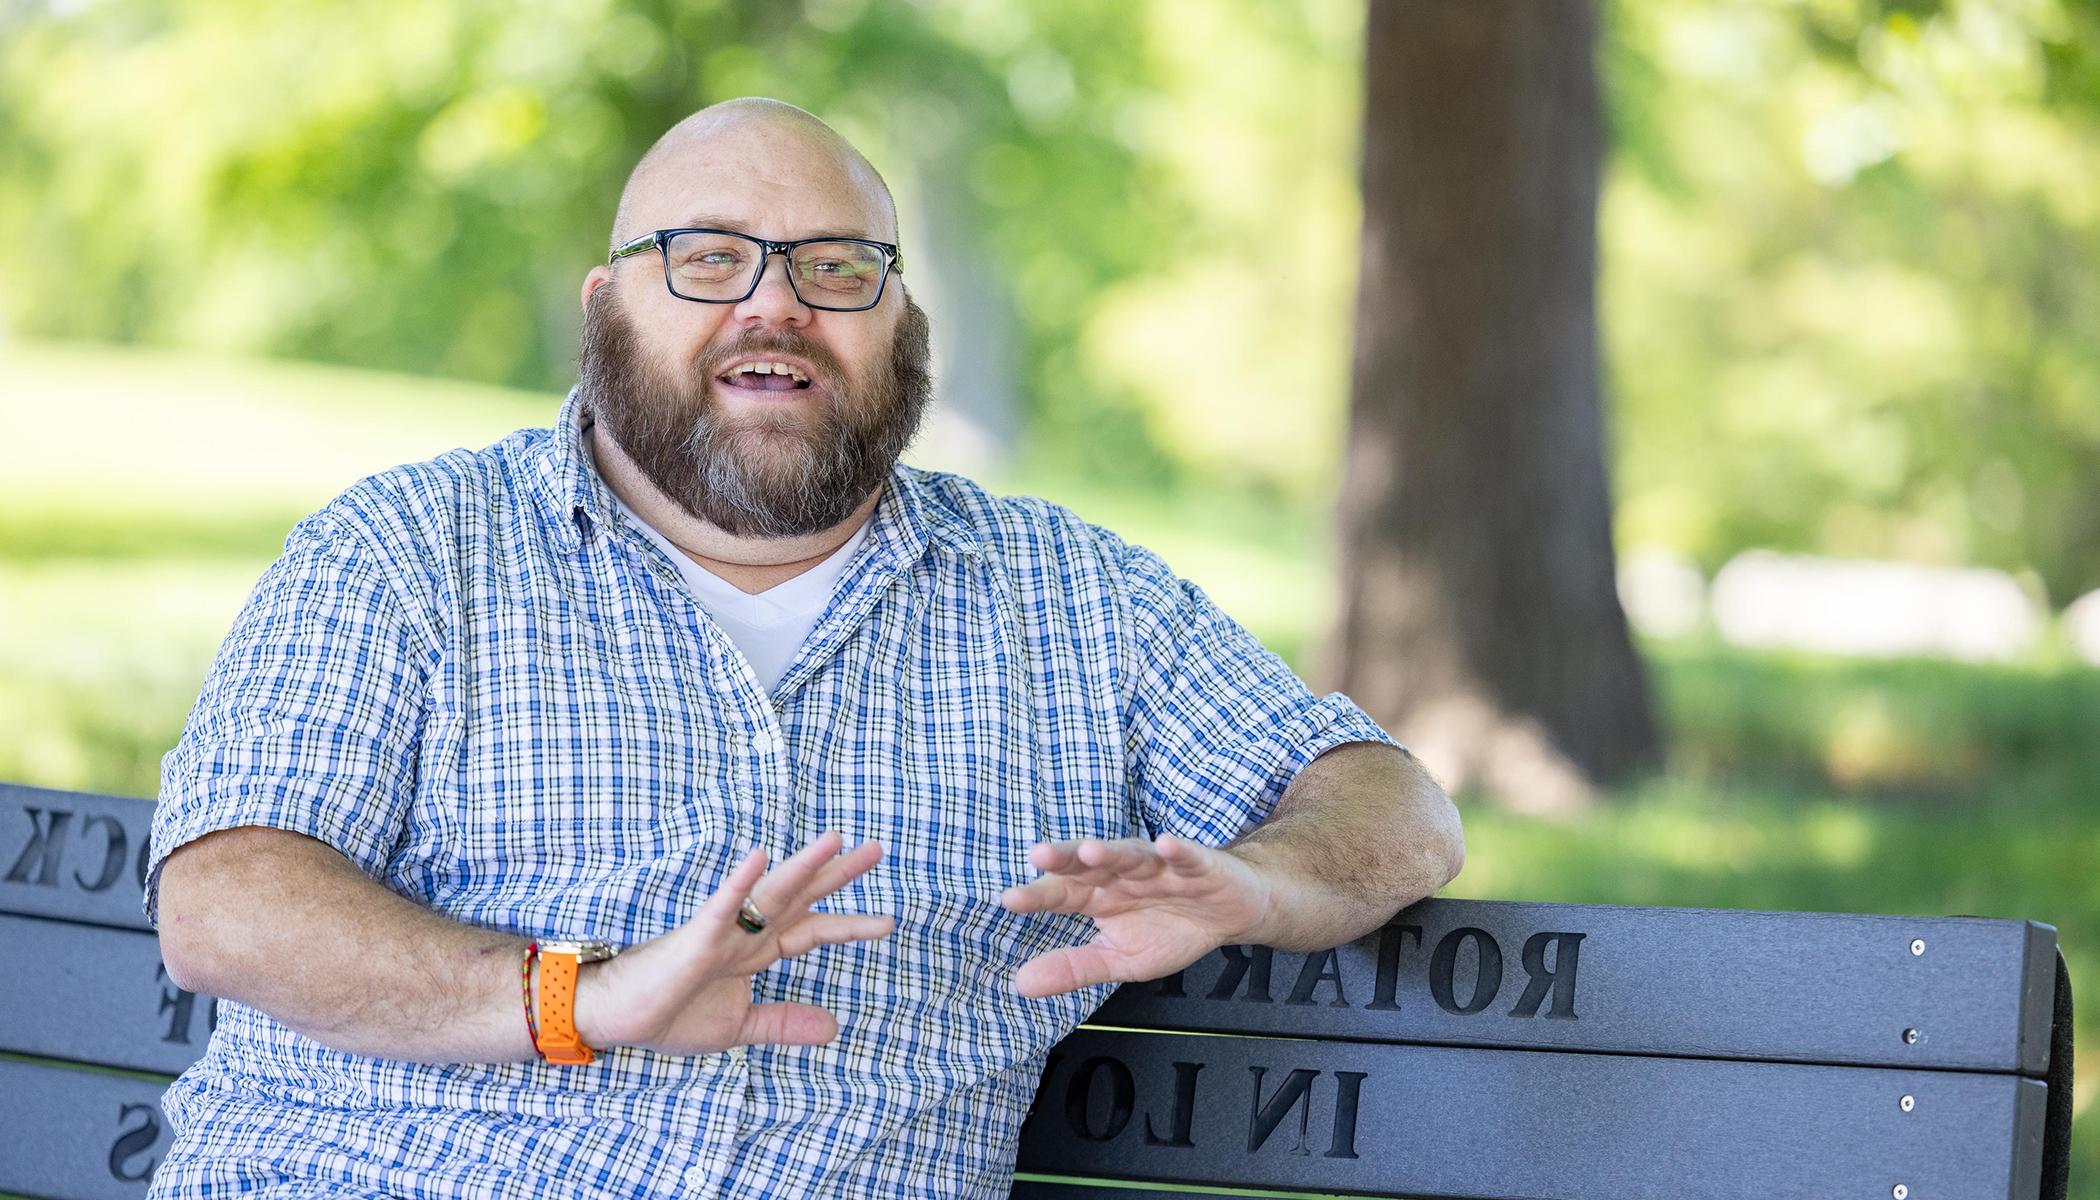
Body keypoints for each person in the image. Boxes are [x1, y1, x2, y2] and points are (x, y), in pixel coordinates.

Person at [145, 97, 1465, 1199]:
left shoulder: (1080, 604)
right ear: (607, 305)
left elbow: (1389, 802)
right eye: (709, 259)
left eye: (838, 267)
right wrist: (581, 996)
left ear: (905, 325)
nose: (775, 306)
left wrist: (1258, 886)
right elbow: (228, 903)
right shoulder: (411, 549)